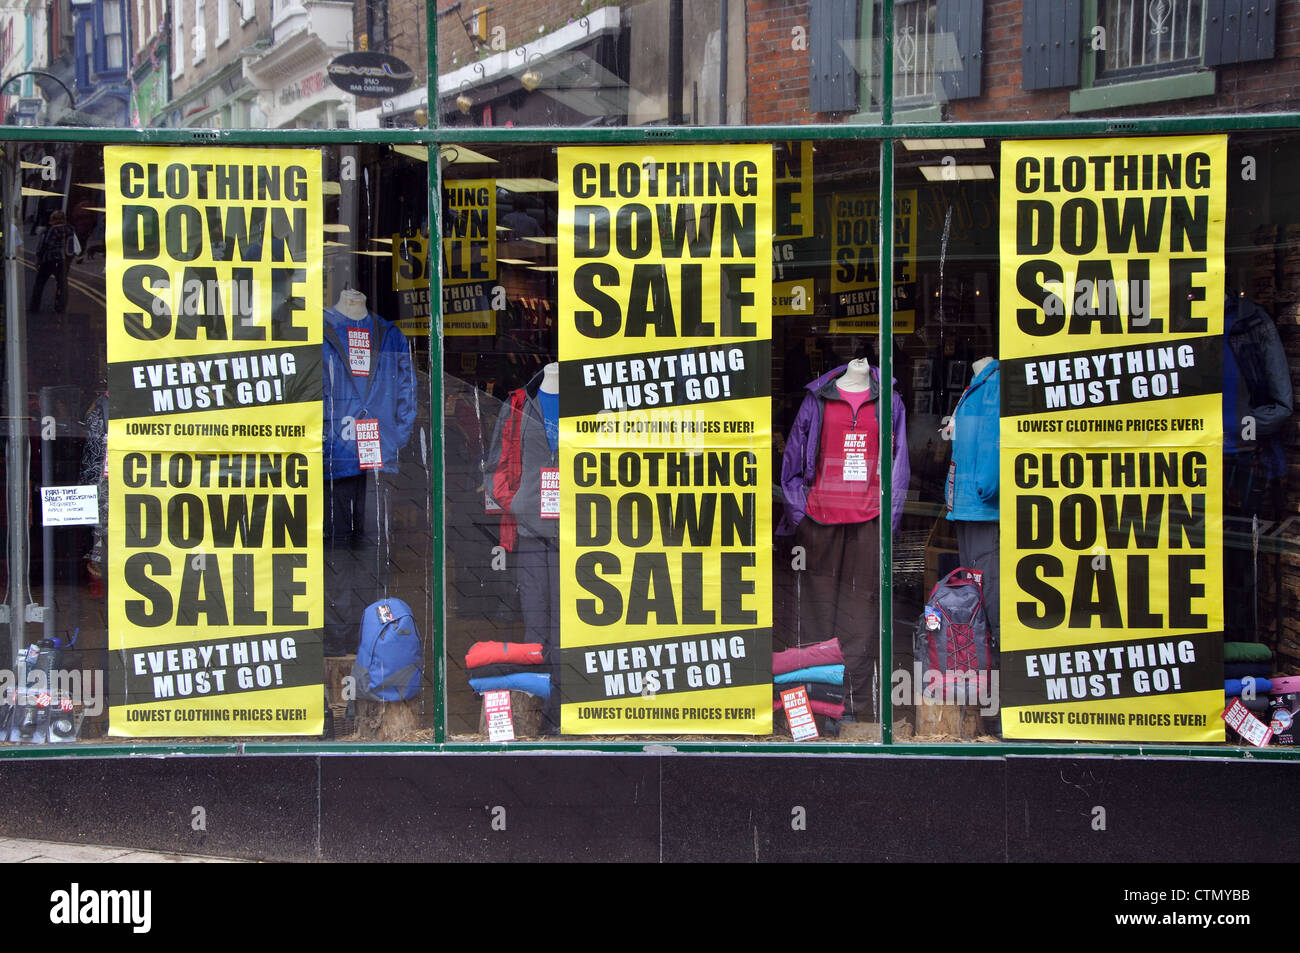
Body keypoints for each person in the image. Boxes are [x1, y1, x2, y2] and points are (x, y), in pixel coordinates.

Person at [29, 210, 73, 312]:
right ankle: (60, 308)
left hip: (49, 259)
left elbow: (44, 245)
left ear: (52, 219)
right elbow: (72, 245)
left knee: (40, 283)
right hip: (63, 260)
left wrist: (38, 260)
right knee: (62, 284)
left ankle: (34, 307)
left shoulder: (51, 230)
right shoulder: (70, 229)